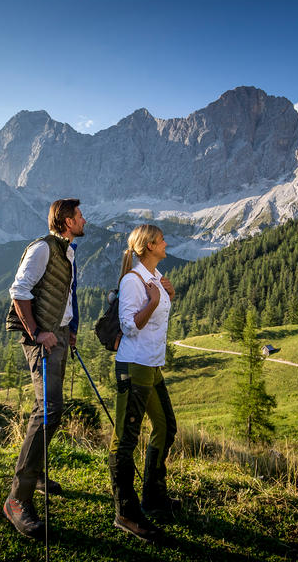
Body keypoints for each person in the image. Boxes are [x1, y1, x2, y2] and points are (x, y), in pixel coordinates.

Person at [3, 198, 85, 539]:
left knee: (48, 409)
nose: (84, 219)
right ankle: (16, 500)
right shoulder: (42, 249)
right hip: (43, 339)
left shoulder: (67, 250)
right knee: (49, 411)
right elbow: (18, 290)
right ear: (66, 220)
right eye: (79, 215)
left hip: (59, 336)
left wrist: (70, 330)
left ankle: (34, 473)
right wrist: (37, 332)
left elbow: (66, 294)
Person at [109, 224, 178, 542]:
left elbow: (157, 318)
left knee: (166, 427)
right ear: (149, 246)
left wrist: (167, 295)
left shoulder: (154, 277)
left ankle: (153, 496)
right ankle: (126, 512)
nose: (166, 243)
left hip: (151, 365)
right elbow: (129, 325)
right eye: (161, 239)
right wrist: (152, 301)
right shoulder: (132, 281)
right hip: (133, 365)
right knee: (125, 439)